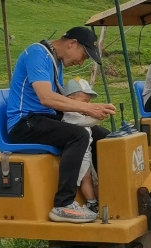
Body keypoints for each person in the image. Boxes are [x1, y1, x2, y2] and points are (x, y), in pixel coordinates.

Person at [6, 26, 116, 223]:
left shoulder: (56, 61)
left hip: (43, 119)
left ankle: (107, 195)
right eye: (83, 55)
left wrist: (90, 112)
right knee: (79, 135)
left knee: (100, 134)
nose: (81, 62)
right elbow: (46, 98)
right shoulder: (37, 53)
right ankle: (63, 204)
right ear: (72, 43)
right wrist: (87, 109)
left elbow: (59, 100)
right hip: (24, 123)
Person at [62, 77, 102, 214]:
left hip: (86, 151)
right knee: (87, 178)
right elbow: (86, 122)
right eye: (84, 102)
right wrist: (98, 116)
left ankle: (101, 200)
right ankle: (91, 202)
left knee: (94, 177)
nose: (87, 105)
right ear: (70, 99)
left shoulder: (77, 112)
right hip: (80, 154)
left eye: (88, 102)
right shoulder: (70, 114)